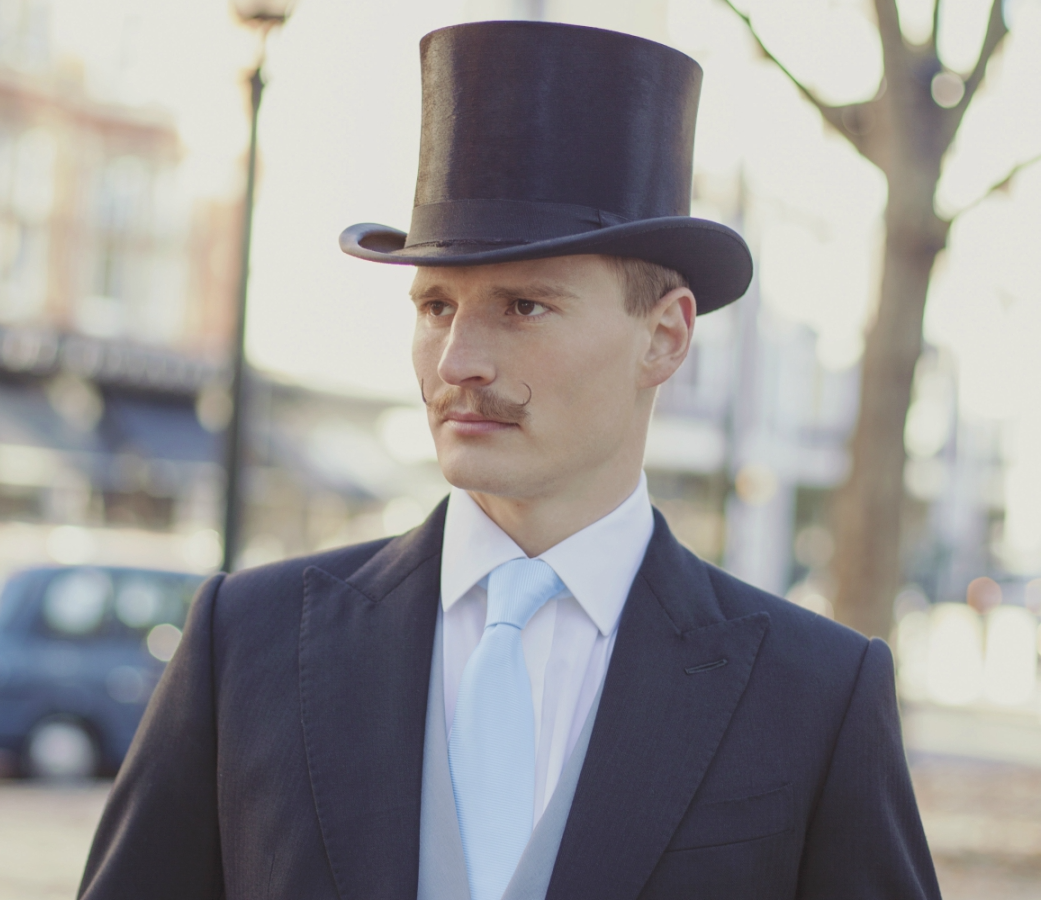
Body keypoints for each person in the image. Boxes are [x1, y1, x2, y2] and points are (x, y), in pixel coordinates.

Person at [79, 21, 940, 900]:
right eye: (436, 305)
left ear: (667, 336)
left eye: (524, 307)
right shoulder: (248, 644)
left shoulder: (816, 696)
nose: (457, 363)